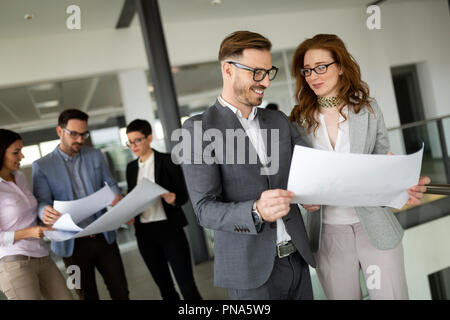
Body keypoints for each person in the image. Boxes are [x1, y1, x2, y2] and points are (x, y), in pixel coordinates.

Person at [289, 34, 430, 300]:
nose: (313, 76)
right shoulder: (298, 119)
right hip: (327, 233)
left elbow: (382, 158)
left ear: (340, 66)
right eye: (307, 70)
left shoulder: (368, 109)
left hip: (374, 226)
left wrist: (400, 180)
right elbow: (295, 174)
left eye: (322, 66)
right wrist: (302, 199)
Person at [179, 30, 317, 300]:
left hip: (298, 260)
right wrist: (255, 211)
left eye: (268, 72)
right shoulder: (198, 129)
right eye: (256, 72)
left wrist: (316, 192)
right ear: (228, 70)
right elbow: (204, 210)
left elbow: (312, 169)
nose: (265, 81)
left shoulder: (278, 120)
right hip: (249, 273)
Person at [32, 109, 129, 300]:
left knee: (121, 292)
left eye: (83, 134)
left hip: (104, 238)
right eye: (74, 134)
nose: (80, 139)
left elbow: (110, 183)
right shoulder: (42, 165)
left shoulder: (95, 155)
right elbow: (41, 201)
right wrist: (45, 211)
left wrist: (116, 196)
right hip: (72, 246)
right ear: (60, 131)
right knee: (86, 296)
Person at [125, 119, 202, 300]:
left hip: (170, 230)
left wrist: (172, 197)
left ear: (149, 138)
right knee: (165, 287)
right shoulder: (130, 168)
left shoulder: (168, 160)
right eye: (129, 142)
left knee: (186, 284)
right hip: (145, 234)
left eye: (137, 140)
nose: (133, 146)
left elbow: (183, 194)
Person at [0, 129, 73, 300]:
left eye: (21, 150)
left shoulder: (20, 177)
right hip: (14, 263)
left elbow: (29, 213)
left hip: (42, 255)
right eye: (16, 152)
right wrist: (30, 232)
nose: (22, 156)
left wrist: (46, 216)